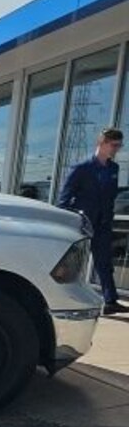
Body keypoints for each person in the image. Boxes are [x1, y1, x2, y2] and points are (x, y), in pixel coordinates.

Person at [58, 127, 126, 315]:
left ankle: (110, 301)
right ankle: (61, 298)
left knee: (104, 262)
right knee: (71, 260)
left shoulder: (114, 168)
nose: (116, 149)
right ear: (101, 143)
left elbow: (111, 196)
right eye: (113, 145)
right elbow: (64, 197)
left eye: (119, 146)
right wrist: (70, 219)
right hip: (81, 223)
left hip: (103, 223)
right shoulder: (82, 168)